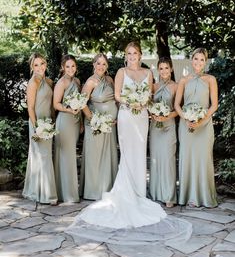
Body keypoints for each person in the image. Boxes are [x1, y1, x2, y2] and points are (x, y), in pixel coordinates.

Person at [65, 42, 192, 245]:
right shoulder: (121, 72)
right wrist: (129, 101)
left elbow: (150, 96)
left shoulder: (148, 73)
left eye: (135, 53)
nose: (132, 56)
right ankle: (126, 191)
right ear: (126, 55)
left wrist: (143, 103)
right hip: (125, 116)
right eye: (129, 53)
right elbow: (117, 95)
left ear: (140, 55)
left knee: (140, 153)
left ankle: (139, 191)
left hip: (141, 117)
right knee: (127, 153)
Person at [174, 48, 218, 208]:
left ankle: (205, 196)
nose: (198, 62)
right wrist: (186, 118)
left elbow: (214, 105)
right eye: (196, 59)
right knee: (187, 158)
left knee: (203, 159)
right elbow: (176, 105)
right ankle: (188, 196)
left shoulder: (210, 79)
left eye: (201, 60)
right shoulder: (183, 80)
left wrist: (201, 119)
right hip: (186, 126)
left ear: (205, 62)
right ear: (191, 60)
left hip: (204, 126)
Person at [79, 53, 118, 200]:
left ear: (107, 66)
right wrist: (95, 120)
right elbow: (82, 103)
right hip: (95, 125)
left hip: (110, 124)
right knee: (95, 157)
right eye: (98, 63)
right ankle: (94, 191)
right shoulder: (90, 82)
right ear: (93, 65)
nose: (101, 66)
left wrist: (118, 115)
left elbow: (116, 99)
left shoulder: (109, 80)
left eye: (104, 64)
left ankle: (108, 188)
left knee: (108, 155)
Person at [23, 53, 58, 205]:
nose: (40, 68)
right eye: (36, 65)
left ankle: (38, 189)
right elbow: (30, 108)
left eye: (42, 64)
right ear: (32, 67)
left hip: (48, 123)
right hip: (37, 124)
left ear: (46, 64)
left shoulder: (48, 81)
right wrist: (37, 127)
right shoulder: (33, 84)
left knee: (45, 156)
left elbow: (51, 104)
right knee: (42, 157)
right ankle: (46, 195)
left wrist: (52, 122)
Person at [149, 57, 178, 208]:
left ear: (171, 69)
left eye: (167, 68)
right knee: (155, 159)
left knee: (168, 160)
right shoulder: (153, 86)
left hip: (168, 127)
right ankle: (155, 193)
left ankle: (169, 195)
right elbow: (148, 104)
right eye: (161, 68)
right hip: (155, 127)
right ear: (158, 70)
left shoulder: (176, 86)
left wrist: (167, 115)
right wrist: (153, 114)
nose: (164, 71)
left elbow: (179, 109)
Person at [53, 54, 81, 203]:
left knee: (71, 155)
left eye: (73, 66)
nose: (71, 69)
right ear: (63, 68)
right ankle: (67, 194)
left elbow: (81, 102)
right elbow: (56, 104)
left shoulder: (77, 81)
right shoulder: (61, 83)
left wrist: (81, 122)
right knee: (66, 156)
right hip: (65, 121)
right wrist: (70, 110)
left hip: (75, 122)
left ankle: (70, 191)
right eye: (67, 66)